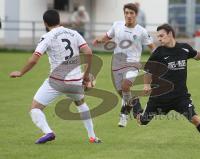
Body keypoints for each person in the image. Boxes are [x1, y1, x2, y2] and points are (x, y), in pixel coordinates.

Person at [9, 9, 101, 144]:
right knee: (81, 104)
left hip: (57, 81)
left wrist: (21, 72)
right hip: (75, 81)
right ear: (59, 20)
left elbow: (34, 59)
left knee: (34, 108)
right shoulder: (74, 33)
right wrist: (86, 75)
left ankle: (48, 132)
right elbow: (88, 52)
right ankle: (93, 137)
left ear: (45, 23)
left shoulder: (48, 36)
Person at [136, 23, 200, 149]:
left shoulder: (184, 48)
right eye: (158, 36)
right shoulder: (158, 52)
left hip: (180, 97)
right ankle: (135, 105)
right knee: (143, 121)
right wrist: (146, 85)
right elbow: (148, 70)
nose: (159, 39)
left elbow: (198, 56)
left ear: (170, 34)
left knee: (195, 118)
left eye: (161, 36)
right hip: (160, 97)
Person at [93, 3, 155, 127]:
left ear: (136, 15)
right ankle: (135, 109)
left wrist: (160, 59)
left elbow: (153, 48)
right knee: (123, 92)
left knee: (126, 86)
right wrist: (99, 40)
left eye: (131, 13)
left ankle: (124, 114)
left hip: (133, 63)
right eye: (126, 13)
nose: (129, 15)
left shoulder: (141, 31)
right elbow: (107, 36)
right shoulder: (117, 25)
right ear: (124, 14)